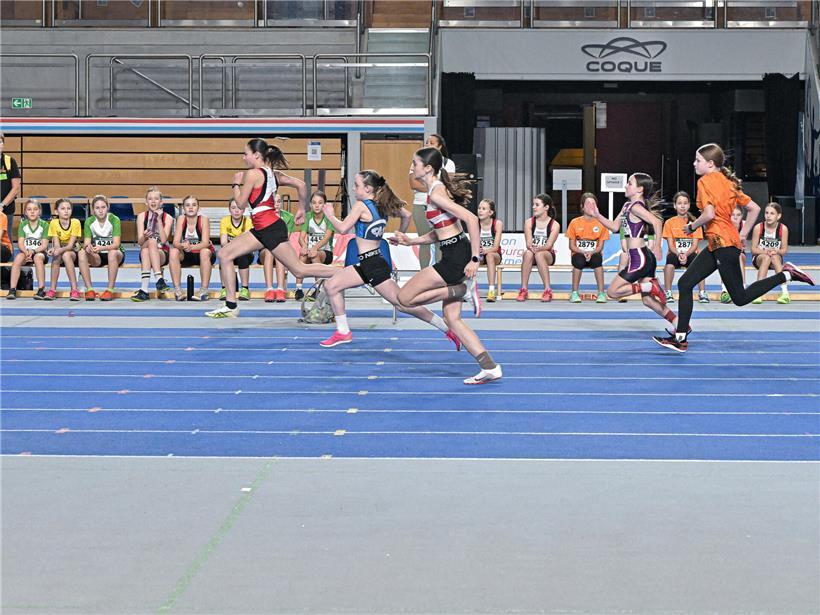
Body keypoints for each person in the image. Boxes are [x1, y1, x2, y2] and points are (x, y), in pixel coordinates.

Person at [654, 143, 814, 352]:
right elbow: (754, 208)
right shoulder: (728, 182)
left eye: (698, 160)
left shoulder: (705, 182)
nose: (694, 164)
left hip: (723, 245)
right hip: (719, 244)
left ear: (710, 164)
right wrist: (742, 234)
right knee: (685, 283)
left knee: (739, 298)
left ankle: (786, 275)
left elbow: (709, 214)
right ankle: (681, 338)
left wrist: (692, 226)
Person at [392, 147, 502, 385]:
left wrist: (475, 259)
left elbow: (471, 220)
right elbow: (441, 232)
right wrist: (412, 240)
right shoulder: (435, 191)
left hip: (456, 256)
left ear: (428, 168)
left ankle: (461, 290)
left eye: (415, 163)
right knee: (452, 319)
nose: (411, 168)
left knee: (404, 298)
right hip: (453, 249)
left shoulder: (437, 193)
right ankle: (489, 366)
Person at [318, 169, 461, 350]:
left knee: (403, 303)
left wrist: (330, 214)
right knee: (331, 285)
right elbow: (407, 215)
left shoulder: (362, 206)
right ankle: (343, 331)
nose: (353, 189)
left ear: (368, 189)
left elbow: (343, 229)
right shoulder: (382, 204)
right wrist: (399, 234)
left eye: (356, 186)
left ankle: (448, 325)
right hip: (370, 262)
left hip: (372, 264)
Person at [206, 137, 337, 318]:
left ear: (256, 155)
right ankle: (230, 305)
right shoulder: (273, 175)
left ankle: (347, 272)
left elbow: (241, 204)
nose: (243, 158)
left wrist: (235, 184)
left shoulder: (252, 174)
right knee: (224, 254)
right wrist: (300, 209)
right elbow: (301, 184)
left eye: (246, 154)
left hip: (270, 228)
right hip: (262, 228)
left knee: (299, 269)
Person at [584, 174, 680, 328]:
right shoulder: (627, 206)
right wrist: (597, 215)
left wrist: (657, 246)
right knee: (648, 300)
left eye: (630, 183)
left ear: (640, 189)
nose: (626, 186)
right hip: (643, 257)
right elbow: (615, 227)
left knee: (612, 292)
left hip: (639, 258)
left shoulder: (636, 207)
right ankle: (678, 323)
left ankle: (650, 286)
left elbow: (657, 222)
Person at [409, 133, 456, 269]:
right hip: (420, 205)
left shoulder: (448, 163)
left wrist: (430, 188)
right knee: (423, 241)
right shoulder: (416, 163)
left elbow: (448, 186)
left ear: (439, 147)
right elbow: (413, 185)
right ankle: (424, 274)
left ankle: (441, 273)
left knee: (440, 240)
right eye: (427, 142)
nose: (427, 144)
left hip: (440, 206)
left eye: (432, 143)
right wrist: (435, 187)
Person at [661, 191, 708, 304]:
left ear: (689, 205)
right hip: (675, 253)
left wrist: (686, 254)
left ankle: (702, 292)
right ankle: (668, 292)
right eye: (679, 203)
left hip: (690, 253)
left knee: (700, 264)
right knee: (669, 264)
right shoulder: (669, 223)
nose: (682, 206)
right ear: (674, 205)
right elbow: (671, 245)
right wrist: (678, 254)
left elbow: (695, 244)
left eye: (685, 203)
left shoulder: (695, 223)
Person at [78, 195, 124, 301]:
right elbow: (86, 243)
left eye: (103, 207)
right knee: (81, 253)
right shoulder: (89, 221)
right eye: (97, 208)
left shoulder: (114, 219)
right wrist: (88, 248)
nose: (100, 210)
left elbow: (116, 244)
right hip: (98, 255)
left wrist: (101, 247)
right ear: (93, 210)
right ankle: (89, 290)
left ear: (107, 207)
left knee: (112, 253)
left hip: (116, 254)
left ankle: (110, 290)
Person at [169, 195, 214, 301]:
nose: (191, 208)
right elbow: (175, 242)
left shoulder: (204, 220)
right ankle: (178, 290)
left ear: (198, 208)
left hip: (204, 254)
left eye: (194, 205)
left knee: (204, 251)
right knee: (173, 252)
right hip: (187, 254)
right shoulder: (181, 219)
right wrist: (183, 246)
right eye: (187, 205)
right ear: (183, 208)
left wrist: (191, 246)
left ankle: (204, 290)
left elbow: (206, 243)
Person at [566, 193, 609, 303]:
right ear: (582, 207)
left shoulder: (601, 223)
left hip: (594, 253)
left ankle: (601, 293)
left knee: (597, 260)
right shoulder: (574, 222)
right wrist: (583, 251)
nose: (591, 206)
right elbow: (571, 246)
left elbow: (600, 246)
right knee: (578, 261)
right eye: (588, 203)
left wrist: (591, 252)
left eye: (593, 203)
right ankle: (575, 293)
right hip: (578, 253)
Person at [516, 193, 559, 302]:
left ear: (546, 207)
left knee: (539, 254)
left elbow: (549, 245)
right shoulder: (529, 222)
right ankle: (523, 288)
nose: (533, 207)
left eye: (537, 205)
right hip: (532, 251)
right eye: (533, 204)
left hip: (547, 254)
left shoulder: (554, 224)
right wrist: (532, 248)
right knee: (527, 253)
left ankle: (547, 289)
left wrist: (538, 249)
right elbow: (528, 243)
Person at [132, 186, 173, 302]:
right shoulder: (141, 216)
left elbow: (164, 240)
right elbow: (140, 242)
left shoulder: (168, 217)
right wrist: (144, 236)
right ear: (146, 202)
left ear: (161, 202)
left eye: (156, 199)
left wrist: (159, 219)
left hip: (162, 252)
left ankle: (144, 290)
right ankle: (159, 278)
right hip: (146, 245)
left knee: (147, 249)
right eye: (150, 199)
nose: (153, 201)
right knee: (149, 243)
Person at [294, 191, 335, 300]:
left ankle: (318, 289)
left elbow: (326, 238)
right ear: (311, 205)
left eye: (320, 203)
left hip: (325, 252)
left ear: (324, 205)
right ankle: (298, 289)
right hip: (311, 251)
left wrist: (314, 248)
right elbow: (301, 238)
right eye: (314, 203)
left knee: (314, 254)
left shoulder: (329, 218)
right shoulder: (307, 217)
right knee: (302, 254)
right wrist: (304, 246)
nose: (317, 205)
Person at [5, 199, 48, 300]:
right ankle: (12, 289)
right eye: (29, 209)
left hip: (39, 253)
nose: (32, 212)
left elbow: (45, 245)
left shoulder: (44, 225)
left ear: (40, 211)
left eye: (35, 209)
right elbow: (20, 242)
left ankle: (41, 289)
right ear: (25, 212)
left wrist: (33, 252)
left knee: (37, 258)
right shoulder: (23, 225)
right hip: (26, 252)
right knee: (18, 258)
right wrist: (26, 252)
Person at [750, 202, 790, 304]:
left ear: (779, 216)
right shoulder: (758, 227)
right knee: (766, 257)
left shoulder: (783, 229)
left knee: (775, 257)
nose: (768, 216)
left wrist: (776, 251)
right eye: (766, 213)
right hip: (760, 258)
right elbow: (753, 249)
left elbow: (784, 250)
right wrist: (765, 251)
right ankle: (757, 293)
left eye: (772, 213)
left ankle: (785, 293)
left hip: (775, 257)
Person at [260, 194, 295, 303]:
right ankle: (269, 289)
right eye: (273, 202)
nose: (276, 204)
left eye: (279, 201)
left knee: (278, 251)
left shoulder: (289, 217)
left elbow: (286, 239)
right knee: (271, 252)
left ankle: (280, 289)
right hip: (265, 251)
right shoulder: (262, 216)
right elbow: (261, 240)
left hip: (280, 248)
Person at [45, 198, 82, 301]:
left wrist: (58, 250)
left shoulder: (75, 222)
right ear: (56, 211)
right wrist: (54, 250)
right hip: (61, 250)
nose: (66, 211)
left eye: (68, 208)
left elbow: (70, 246)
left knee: (66, 255)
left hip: (74, 252)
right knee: (56, 257)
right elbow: (56, 244)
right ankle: (52, 290)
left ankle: (74, 290)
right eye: (63, 208)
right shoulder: (53, 223)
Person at [218, 199, 253, 301]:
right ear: (229, 209)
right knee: (223, 256)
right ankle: (224, 289)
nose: (236, 211)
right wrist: (238, 242)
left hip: (245, 253)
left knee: (242, 256)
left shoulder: (248, 222)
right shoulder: (225, 221)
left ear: (243, 210)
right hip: (231, 252)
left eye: (239, 208)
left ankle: (245, 289)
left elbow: (247, 243)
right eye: (233, 208)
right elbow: (223, 242)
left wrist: (233, 244)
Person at [719, 205, 747, 303]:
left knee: (739, 256)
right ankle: (724, 290)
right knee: (724, 257)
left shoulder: (745, 225)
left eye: (738, 215)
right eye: (733, 215)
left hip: (739, 252)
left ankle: (743, 286)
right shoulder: (724, 225)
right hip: (726, 250)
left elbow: (743, 245)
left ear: (742, 216)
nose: (735, 217)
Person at [477, 198, 503, 302]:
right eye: (479, 208)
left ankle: (491, 290)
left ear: (490, 212)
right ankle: (468, 290)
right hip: (480, 254)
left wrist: (484, 251)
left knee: (490, 256)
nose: (480, 210)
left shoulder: (497, 223)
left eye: (483, 208)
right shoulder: (475, 222)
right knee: (466, 257)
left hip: (494, 255)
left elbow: (495, 247)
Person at [0, 133, 22, 247]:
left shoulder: (10, 161)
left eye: (0, 142)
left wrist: (2, 205)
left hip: (6, 209)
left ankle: (7, 265)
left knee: (6, 239)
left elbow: (15, 188)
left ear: (3, 144)